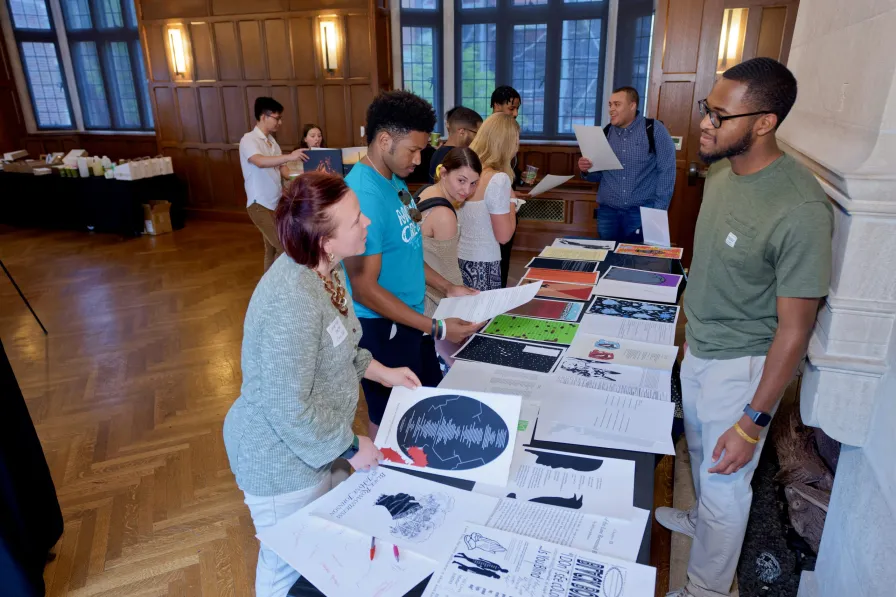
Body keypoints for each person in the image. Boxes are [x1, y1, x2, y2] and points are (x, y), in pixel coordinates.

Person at [655, 58, 833, 597]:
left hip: (742, 365)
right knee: (708, 463)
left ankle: (705, 587)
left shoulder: (800, 208)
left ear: (764, 122)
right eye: (708, 107)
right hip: (703, 346)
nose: (705, 122)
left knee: (727, 483)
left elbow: (795, 330)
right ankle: (704, 523)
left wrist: (753, 419)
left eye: (719, 114)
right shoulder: (721, 171)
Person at [222, 172, 421, 597]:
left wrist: (384, 372)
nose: (366, 222)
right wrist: (353, 446)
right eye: (355, 220)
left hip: (317, 444)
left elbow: (341, 347)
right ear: (327, 240)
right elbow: (286, 408)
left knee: (320, 552)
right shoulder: (291, 300)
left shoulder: (325, 270)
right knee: (286, 568)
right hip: (280, 459)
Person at [343, 91, 482, 437]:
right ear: (384, 140)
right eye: (413, 149)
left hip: (412, 317)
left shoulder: (398, 183)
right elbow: (363, 287)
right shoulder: (363, 195)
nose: (420, 159)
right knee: (389, 418)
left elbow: (410, 247)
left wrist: (448, 287)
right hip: (380, 325)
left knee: (421, 404)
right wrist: (436, 328)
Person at [577, 86, 676, 243]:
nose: (611, 109)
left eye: (617, 104)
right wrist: (586, 169)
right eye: (610, 105)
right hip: (607, 214)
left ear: (632, 105)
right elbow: (597, 176)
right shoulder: (605, 133)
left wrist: (657, 213)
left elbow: (667, 172)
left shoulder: (654, 130)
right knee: (607, 261)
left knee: (640, 262)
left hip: (642, 213)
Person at [416, 147, 483, 365]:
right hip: (435, 306)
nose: (467, 190)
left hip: (418, 293)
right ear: (443, 173)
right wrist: (465, 312)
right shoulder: (444, 214)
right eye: (461, 180)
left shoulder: (424, 192)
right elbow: (449, 272)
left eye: (473, 183)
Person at [240, 97, 309, 273]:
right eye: (277, 118)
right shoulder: (249, 140)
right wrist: (289, 156)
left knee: (270, 251)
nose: (280, 122)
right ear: (264, 116)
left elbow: (284, 171)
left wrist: (307, 175)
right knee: (285, 249)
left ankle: (265, 296)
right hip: (259, 204)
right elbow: (260, 162)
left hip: (275, 203)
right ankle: (278, 292)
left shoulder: (272, 141)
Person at [459, 113, 519, 291]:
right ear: (506, 144)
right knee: (483, 317)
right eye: (516, 140)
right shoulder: (498, 179)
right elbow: (504, 236)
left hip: (459, 260)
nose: (518, 146)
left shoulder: (465, 170)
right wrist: (513, 203)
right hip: (484, 264)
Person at [490, 86, 522, 287]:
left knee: (505, 257)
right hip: (495, 207)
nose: (515, 114)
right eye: (511, 108)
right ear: (496, 106)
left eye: (518, 109)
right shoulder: (487, 133)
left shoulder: (510, 131)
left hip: (507, 202)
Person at [428, 106, 482, 182]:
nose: (478, 137)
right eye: (476, 133)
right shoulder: (457, 157)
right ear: (462, 132)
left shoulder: (439, 152)